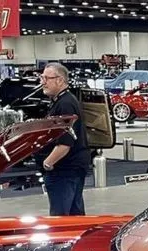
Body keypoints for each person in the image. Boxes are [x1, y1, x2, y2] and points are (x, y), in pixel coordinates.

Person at [39, 62, 91, 216]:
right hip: (72, 167)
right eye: (42, 77)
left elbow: (65, 143)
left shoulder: (65, 104)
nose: (43, 82)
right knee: (75, 214)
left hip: (64, 169)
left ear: (60, 80)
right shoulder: (63, 101)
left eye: (47, 78)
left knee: (60, 216)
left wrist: (47, 163)